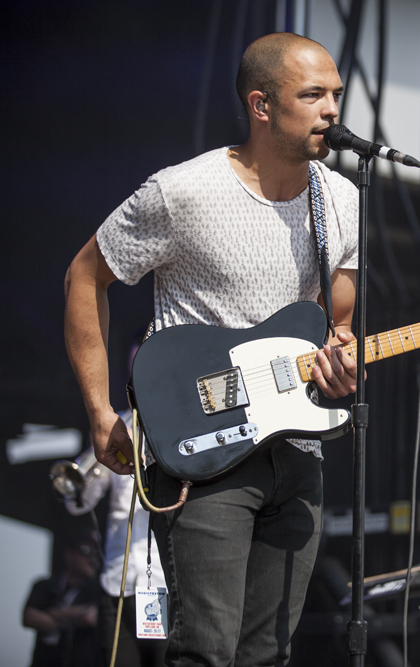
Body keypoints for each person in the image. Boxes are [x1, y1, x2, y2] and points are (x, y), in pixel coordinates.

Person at [64, 32, 359, 666]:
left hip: (299, 448)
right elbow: (85, 278)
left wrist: (342, 363)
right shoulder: (182, 192)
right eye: (311, 96)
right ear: (262, 105)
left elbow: (337, 326)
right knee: (206, 651)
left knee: (269, 657)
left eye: (335, 94)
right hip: (205, 449)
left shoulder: (340, 200)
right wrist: (98, 413)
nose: (331, 110)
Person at [65, 412, 168, 667]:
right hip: (116, 582)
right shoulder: (116, 422)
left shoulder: (175, 417)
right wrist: (96, 453)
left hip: (165, 582)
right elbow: (77, 504)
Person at [23, 533, 103, 667]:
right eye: (85, 551)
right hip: (44, 661)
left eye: (95, 553)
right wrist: (75, 616)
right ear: (69, 554)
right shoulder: (45, 585)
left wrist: (54, 615)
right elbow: (29, 617)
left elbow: (91, 618)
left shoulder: (97, 590)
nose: (91, 558)